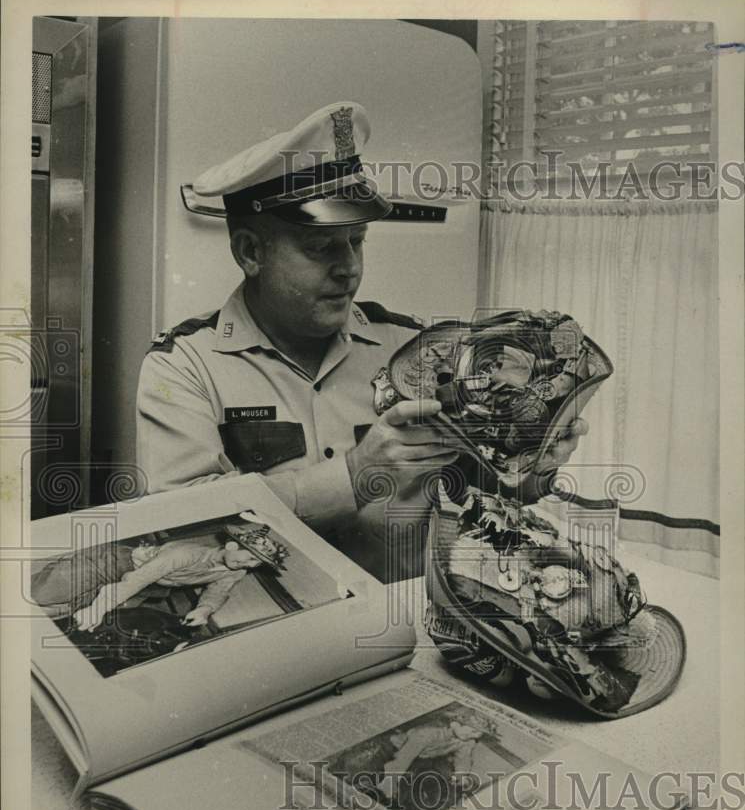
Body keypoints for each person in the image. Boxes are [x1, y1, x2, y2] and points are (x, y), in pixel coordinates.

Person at [136, 102, 585, 582]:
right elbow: (183, 523)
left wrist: (534, 465)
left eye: (357, 241)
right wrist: (354, 474)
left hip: (408, 615)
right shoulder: (184, 366)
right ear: (251, 252)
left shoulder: (416, 349)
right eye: (320, 247)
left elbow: (483, 486)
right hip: (270, 623)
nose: (348, 267)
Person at [31, 532, 267, 632]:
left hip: (148, 587)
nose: (249, 564)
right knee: (44, 593)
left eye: (257, 563)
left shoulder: (236, 570)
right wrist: (99, 607)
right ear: (232, 545)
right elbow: (137, 579)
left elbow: (218, 591)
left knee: (72, 612)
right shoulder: (185, 553)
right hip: (118, 564)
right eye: (249, 556)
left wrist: (204, 610)